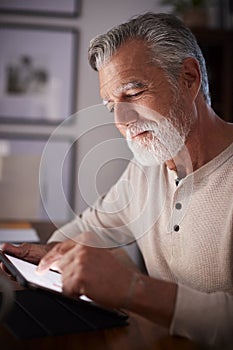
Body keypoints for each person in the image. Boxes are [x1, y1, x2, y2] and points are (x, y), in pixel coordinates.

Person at [2, 12, 233, 346]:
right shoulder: (148, 165)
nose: (122, 120)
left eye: (134, 93)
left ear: (188, 77)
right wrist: (44, 259)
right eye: (111, 106)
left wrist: (131, 288)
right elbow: (91, 227)